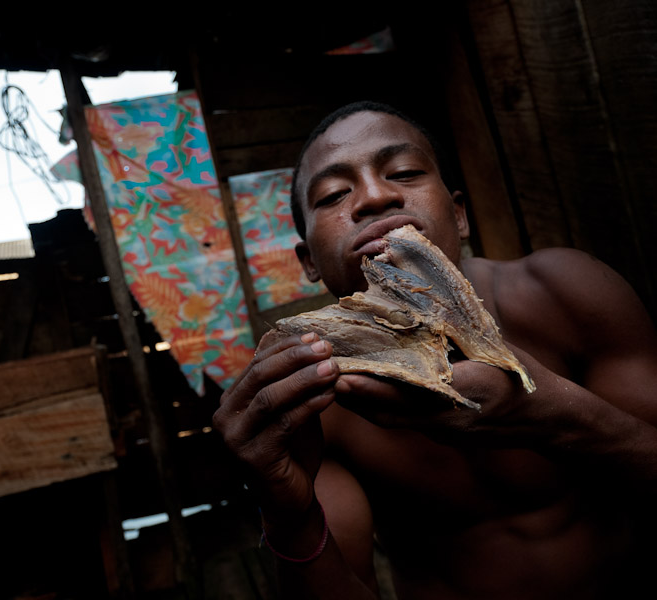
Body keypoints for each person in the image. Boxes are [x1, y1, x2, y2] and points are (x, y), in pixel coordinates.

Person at [212, 101, 657, 599]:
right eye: (335, 194)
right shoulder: (317, 396)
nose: (376, 196)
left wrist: (551, 411)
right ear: (309, 261)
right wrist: (286, 512)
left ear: (460, 214)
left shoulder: (566, 295)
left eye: (402, 172)